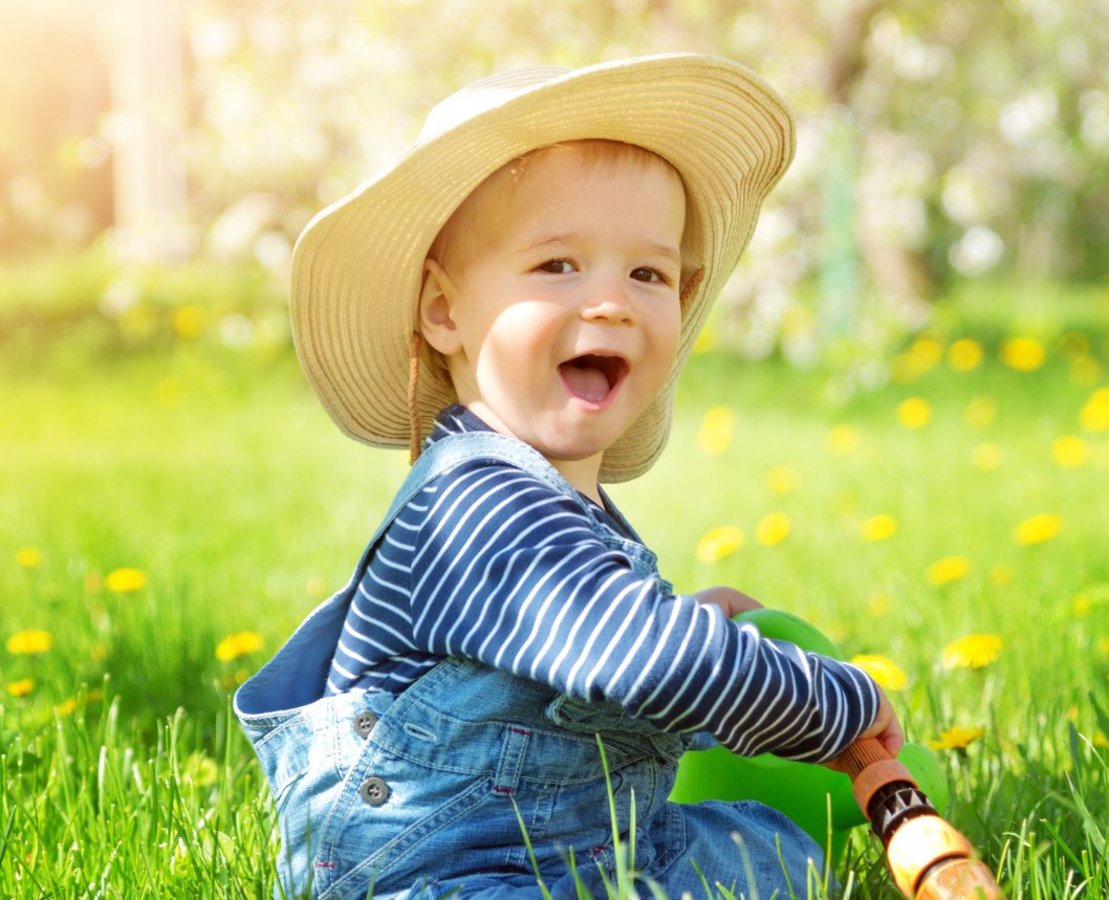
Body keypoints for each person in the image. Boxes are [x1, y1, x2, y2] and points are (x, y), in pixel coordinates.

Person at [233, 53, 902, 899]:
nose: (611, 301)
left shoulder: (559, 512)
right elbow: (643, 661)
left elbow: (591, 656)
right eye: (558, 266)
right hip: (447, 877)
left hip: (587, 849)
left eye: (647, 273)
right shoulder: (478, 504)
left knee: (776, 852)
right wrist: (836, 705)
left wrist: (691, 619)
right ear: (445, 311)